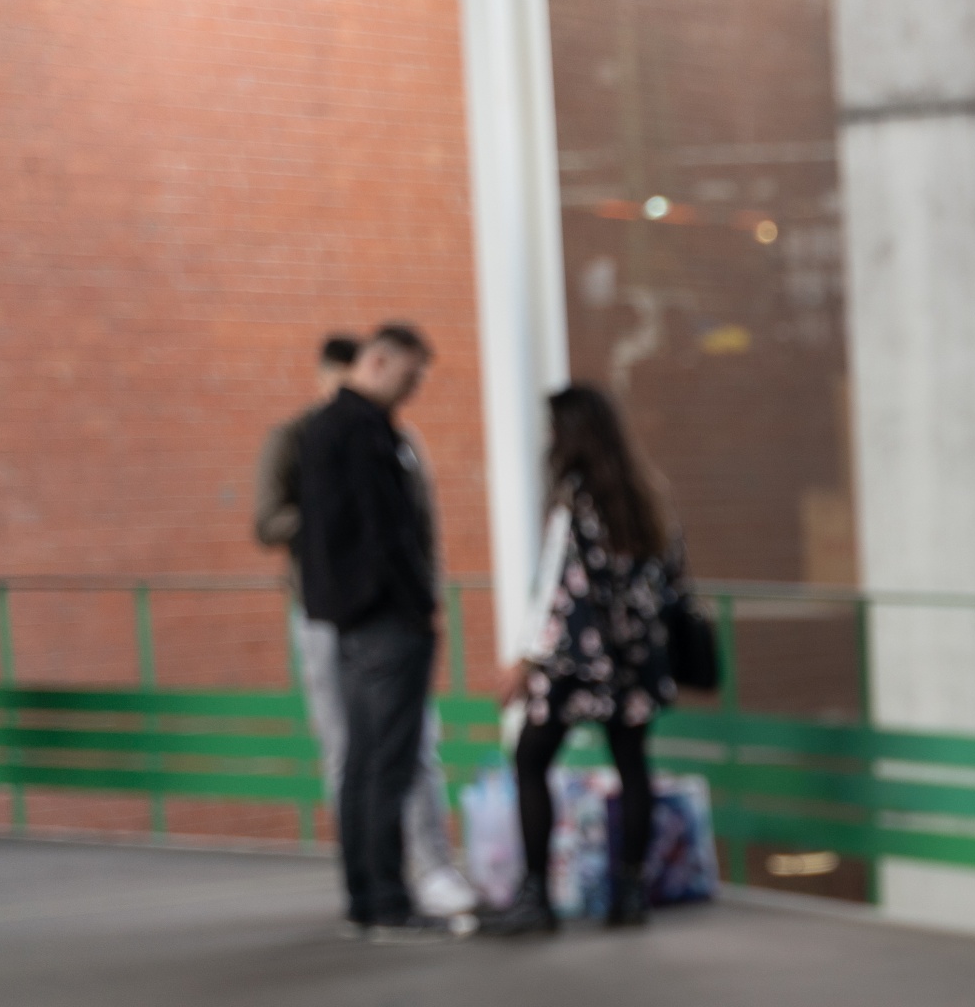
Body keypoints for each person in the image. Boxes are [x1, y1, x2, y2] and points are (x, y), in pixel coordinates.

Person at [491, 385, 685, 933]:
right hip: (635, 659)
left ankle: (537, 898)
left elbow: (556, 588)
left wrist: (525, 663)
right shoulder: (648, 497)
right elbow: (672, 580)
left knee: (530, 761)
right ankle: (630, 892)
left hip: (575, 661)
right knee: (633, 766)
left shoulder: (574, 501)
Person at [293, 324, 447, 937]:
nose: (411, 392)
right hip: (385, 620)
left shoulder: (321, 430)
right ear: (378, 361)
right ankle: (387, 897)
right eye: (408, 377)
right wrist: (415, 607)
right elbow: (389, 534)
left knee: (360, 760)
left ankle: (366, 894)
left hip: (346, 620)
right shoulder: (366, 435)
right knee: (389, 760)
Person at [258, 334, 366, 822]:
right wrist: (321, 519)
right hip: (320, 606)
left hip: (378, 611)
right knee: (340, 741)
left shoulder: (382, 436)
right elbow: (266, 521)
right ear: (323, 379)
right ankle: (357, 860)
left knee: (405, 742)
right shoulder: (292, 438)